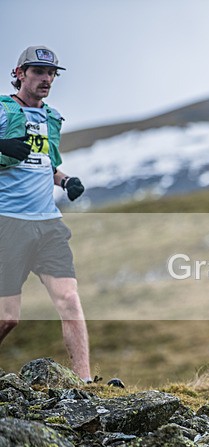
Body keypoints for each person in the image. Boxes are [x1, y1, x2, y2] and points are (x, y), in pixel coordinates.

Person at [0, 46, 95, 383]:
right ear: (20, 73)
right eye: (38, 71)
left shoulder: (51, 118)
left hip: (48, 224)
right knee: (8, 318)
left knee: (69, 298)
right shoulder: (2, 109)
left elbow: (47, 164)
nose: (46, 79)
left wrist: (66, 180)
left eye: (51, 73)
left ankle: (84, 384)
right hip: (8, 223)